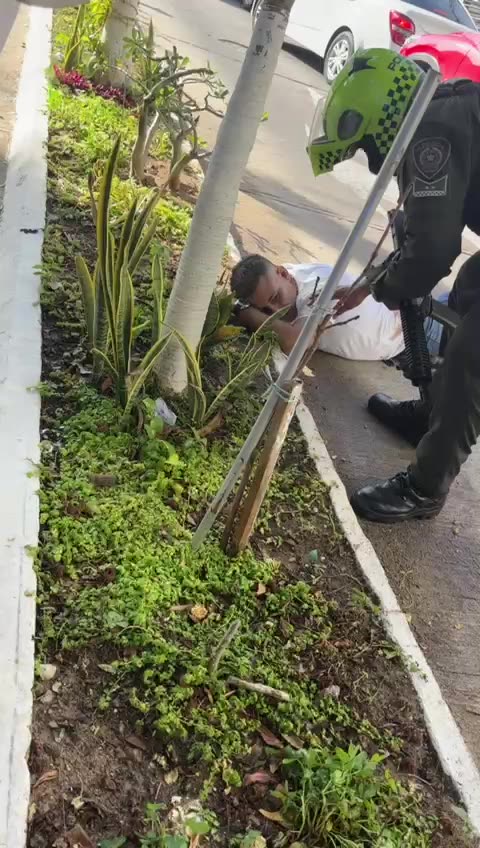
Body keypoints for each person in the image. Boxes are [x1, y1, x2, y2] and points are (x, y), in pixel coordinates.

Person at [307, 47, 480, 523]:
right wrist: (374, 281)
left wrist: (382, 286)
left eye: (366, 147)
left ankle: (425, 488)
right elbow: (427, 237)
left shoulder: (434, 132)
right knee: (469, 289)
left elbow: (430, 252)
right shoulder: (447, 111)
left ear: (384, 118)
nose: (372, 161)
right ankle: (432, 418)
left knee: (472, 352)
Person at [231, 254, 406, 361]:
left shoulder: (313, 290)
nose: (275, 311)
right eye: (265, 311)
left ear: (283, 273)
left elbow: (295, 343)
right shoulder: (286, 277)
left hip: (407, 336)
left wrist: (247, 314)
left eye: (275, 298)